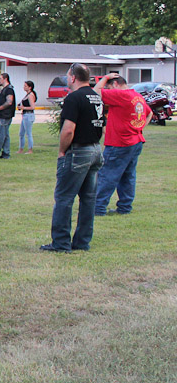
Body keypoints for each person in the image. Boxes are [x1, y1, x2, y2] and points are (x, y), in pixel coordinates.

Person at [41, 64, 108, 253]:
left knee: (64, 197)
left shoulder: (74, 98)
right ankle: (82, 242)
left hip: (78, 152)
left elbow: (68, 129)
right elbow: (101, 125)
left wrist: (62, 151)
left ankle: (61, 243)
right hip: (95, 150)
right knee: (88, 199)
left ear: (72, 78)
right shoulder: (97, 97)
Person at [95, 73, 152, 217]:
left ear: (115, 85)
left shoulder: (121, 95)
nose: (108, 90)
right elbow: (149, 113)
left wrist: (104, 78)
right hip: (135, 141)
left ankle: (98, 207)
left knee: (107, 175)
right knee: (128, 176)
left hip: (120, 143)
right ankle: (125, 206)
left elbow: (95, 93)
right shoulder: (136, 96)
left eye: (109, 87)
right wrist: (139, 128)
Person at [18, 80, 37, 153]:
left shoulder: (30, 95)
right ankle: (21, 149)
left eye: (25, 86)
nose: (24, 87)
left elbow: (32, 107)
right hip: (25, 115)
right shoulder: (27, 95)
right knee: (21, 133)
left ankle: (30, 149)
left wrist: (23, 107)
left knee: (28, 133)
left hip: (29, 115)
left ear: (30, 87)